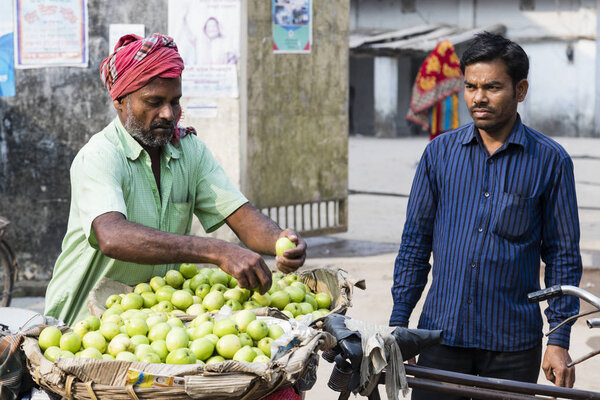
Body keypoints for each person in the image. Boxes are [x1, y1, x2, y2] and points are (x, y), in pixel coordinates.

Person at [45, 33, 306, 326]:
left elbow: (241, 215)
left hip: (149, 324)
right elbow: (112, 236)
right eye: (154, 101)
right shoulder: (101, 155)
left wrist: (280, 240)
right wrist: (216, 250)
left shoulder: (189, 150)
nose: (168, 114)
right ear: (120, 100)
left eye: (175, 101)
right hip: (81, 324)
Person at [390, 32, 582, 397]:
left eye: (492, 87)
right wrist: (400, 323)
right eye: (471, 86)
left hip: (512, 345)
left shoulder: (551, 161)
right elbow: (415, 243)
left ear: (520, 89)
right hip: (439, 339)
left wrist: (558, 338)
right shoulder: (439, 155)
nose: (478, 98)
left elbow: (563, 256)